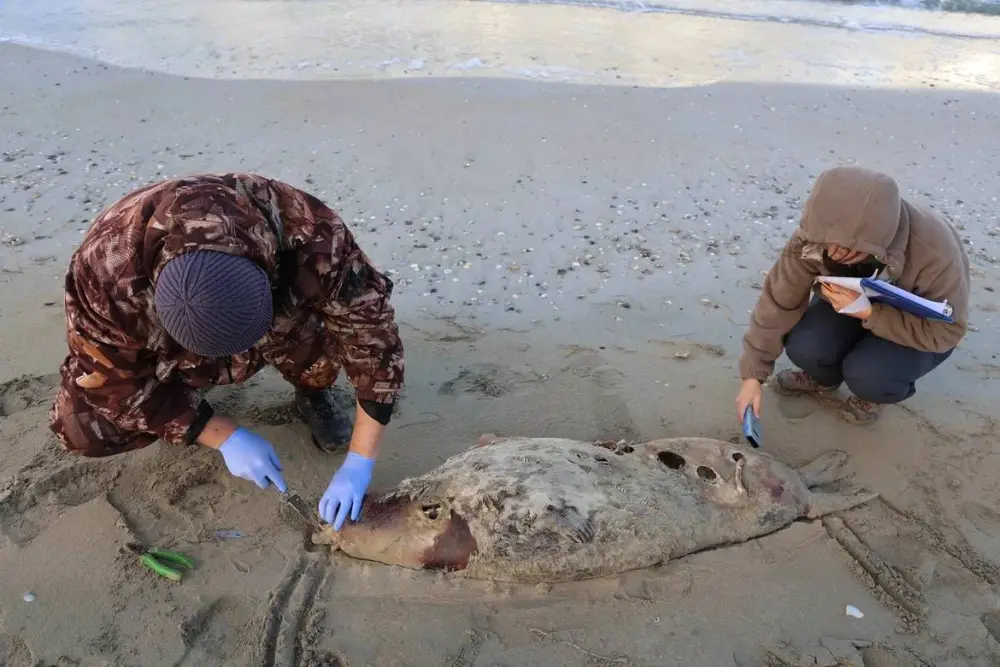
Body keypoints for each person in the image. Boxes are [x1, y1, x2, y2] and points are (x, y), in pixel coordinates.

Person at [48, 173, 404, 530]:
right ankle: (185, 391)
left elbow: (374, 342)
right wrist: (219, 433)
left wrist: (359, 462)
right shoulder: (105, 271)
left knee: (325, 357)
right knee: (81, 429)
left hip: (283, 326)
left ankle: (313, 392)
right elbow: (110, 382)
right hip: (175, 356)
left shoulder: (313, 235)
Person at [735, 165, 970, 426]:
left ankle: (872, 396)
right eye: (827, 246)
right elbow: (778, 301)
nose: (834, 254)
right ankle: (823, 378)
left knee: (870, 375)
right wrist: (753, 376)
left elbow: (948, 332)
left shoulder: (935, 250)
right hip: (849, 303)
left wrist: (870, 313)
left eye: (849, 251)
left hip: (914, 322)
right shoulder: (814, 237)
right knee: (806, 347)